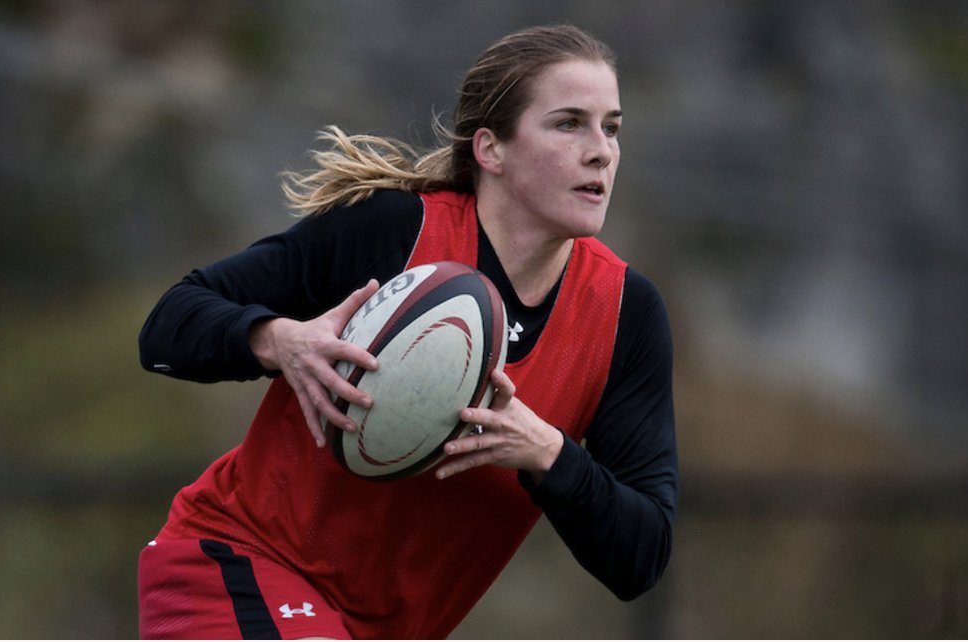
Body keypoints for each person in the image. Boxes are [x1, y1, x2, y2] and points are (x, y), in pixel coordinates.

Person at [137, 24, 677, 639]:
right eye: (568, 123)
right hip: (233, 562)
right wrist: (279, 340)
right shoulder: (393, 232)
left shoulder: (625, 315)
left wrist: (551, 455)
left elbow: (641, 556)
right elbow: (167, 326)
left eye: (612, 128)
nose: (601, 150)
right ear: (490, 150)